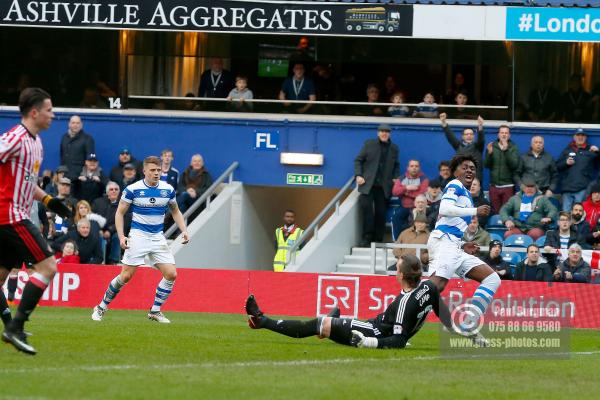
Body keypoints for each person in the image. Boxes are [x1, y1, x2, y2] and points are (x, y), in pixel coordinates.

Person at [246, 254, 458, 349]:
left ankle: (261, 321)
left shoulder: (405, 303)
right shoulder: (428, 286)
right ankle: (332, 324)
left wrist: (368, 343)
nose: (395, 270)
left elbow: (399, 341)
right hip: (376, 325)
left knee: (320, 324)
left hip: (374, 331)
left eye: (397, 266)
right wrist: (456, 328)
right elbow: (439, 308)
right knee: (329, 325)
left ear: (401, 276)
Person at [0, 87, 73, 354]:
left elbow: (28, 183)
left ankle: (10, 325)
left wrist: (49, 201)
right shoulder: (15, 138)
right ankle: (15, 328)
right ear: (34, 112)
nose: (53, 115)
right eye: (49, 110)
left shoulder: (36, 142)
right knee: (48, 267)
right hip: (10, 216)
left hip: (11, 216)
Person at [91, 156, 190, 323]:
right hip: (138, 237)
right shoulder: (133, 189)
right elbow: (120, 213)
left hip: (158, 238)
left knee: (171, 274)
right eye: (152, 170)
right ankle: (101, 307)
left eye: (158, 170)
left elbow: (175, 211)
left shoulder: (167, 190)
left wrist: (184, 230)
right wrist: (122, 236)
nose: (156, 173)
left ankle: (155, 311)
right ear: (144, 171)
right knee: (126, 276)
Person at [427, 154, 499, 339]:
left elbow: (447, 220)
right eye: (464, 167)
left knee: (492, 279)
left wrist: (462, 244)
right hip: (444, 242)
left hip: (453, 244)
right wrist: (475, 210)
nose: (469, 170)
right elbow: (444, 209)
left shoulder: (465, 194)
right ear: (455, 171)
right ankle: (396, 322)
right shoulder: (454, 185)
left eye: (472, 168)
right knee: (432, 289)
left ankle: (468, 324)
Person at [354, 124, 400, 246]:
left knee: (381, 212)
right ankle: (367, 237)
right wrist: (358, 175)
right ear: (378, 133)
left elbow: (396, 165)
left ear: (389, 134)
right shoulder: (369, 144)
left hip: (384, 186)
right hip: (367, 184)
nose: (384, 133)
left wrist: (395, 177)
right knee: (366, 209)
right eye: (382, 131)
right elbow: (358, 160)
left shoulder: (394, 148)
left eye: (386, 131)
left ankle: (378, 239)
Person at [557, 129, 600, 211]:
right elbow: (557, 166)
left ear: (586, 138)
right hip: (567, 188)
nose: (580, 137)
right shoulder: (567, 150)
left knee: (580, 213)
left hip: (583, 188)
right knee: (566, 214)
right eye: (578, 135)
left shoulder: (590, 150)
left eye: (582, 135)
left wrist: (598, 152)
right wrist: (566, 163)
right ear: (574, 137)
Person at [484, 124, 520, 214]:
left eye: (506, 133)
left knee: (506, 213)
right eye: (502, 133)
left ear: (509, 135)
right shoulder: (492, 146)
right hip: (494, 186)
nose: (504, 135)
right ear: (498, 134)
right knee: (496, 212)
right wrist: (489, 153)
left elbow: (514, 165)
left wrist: (506, 150)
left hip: (508, 186)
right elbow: (486, 165)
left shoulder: (513, 147)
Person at [93, 182, 130, 265]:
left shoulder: (124, 203)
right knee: (98, 235)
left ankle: (114, 262)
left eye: (116, 189)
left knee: (118, 237)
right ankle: (100, 261)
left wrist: (110, 230)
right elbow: (93, 218)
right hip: (100, 230)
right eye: (111, 189)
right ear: (107, 192)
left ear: (119, 192)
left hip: (116, 230)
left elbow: (125, 220)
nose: (114, 191)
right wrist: (100, 230)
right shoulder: (98, 202)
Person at [439, 113, 485, 180]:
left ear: (474, 136)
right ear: (463, 136)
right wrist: (443, 122)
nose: (469, 136)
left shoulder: (478, 146)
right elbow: (450, 136)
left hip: (475, 181)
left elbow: (481, 139)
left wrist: (480, 126)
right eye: (466, 134)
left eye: (471, 134)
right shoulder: (458, 145)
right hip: (461, 179)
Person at [391, 159, 429, 233]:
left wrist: (405, 193)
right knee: (396, 218)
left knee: (417, 220)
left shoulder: (424, 179)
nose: (414, 168)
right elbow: (395, 192)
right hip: (404, 207)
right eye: (412, 166)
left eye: (416, 166)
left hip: (418, 207)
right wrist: (406, 187)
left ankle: (414, 241)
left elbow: (421, 194)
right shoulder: (401, 178)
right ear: (408, 168)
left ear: (419, 168)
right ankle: (398, 241)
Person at [59, 115, 95, 181]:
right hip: (66, 176)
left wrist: (85, 175)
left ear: (81, 125)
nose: (75, 125)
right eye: (73, 123)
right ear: (69, 124)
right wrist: (61, 172)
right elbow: (62, 156)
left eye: (78, 123)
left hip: (80, 177)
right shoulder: (64, 137)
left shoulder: (87, 139)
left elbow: (91, 160)